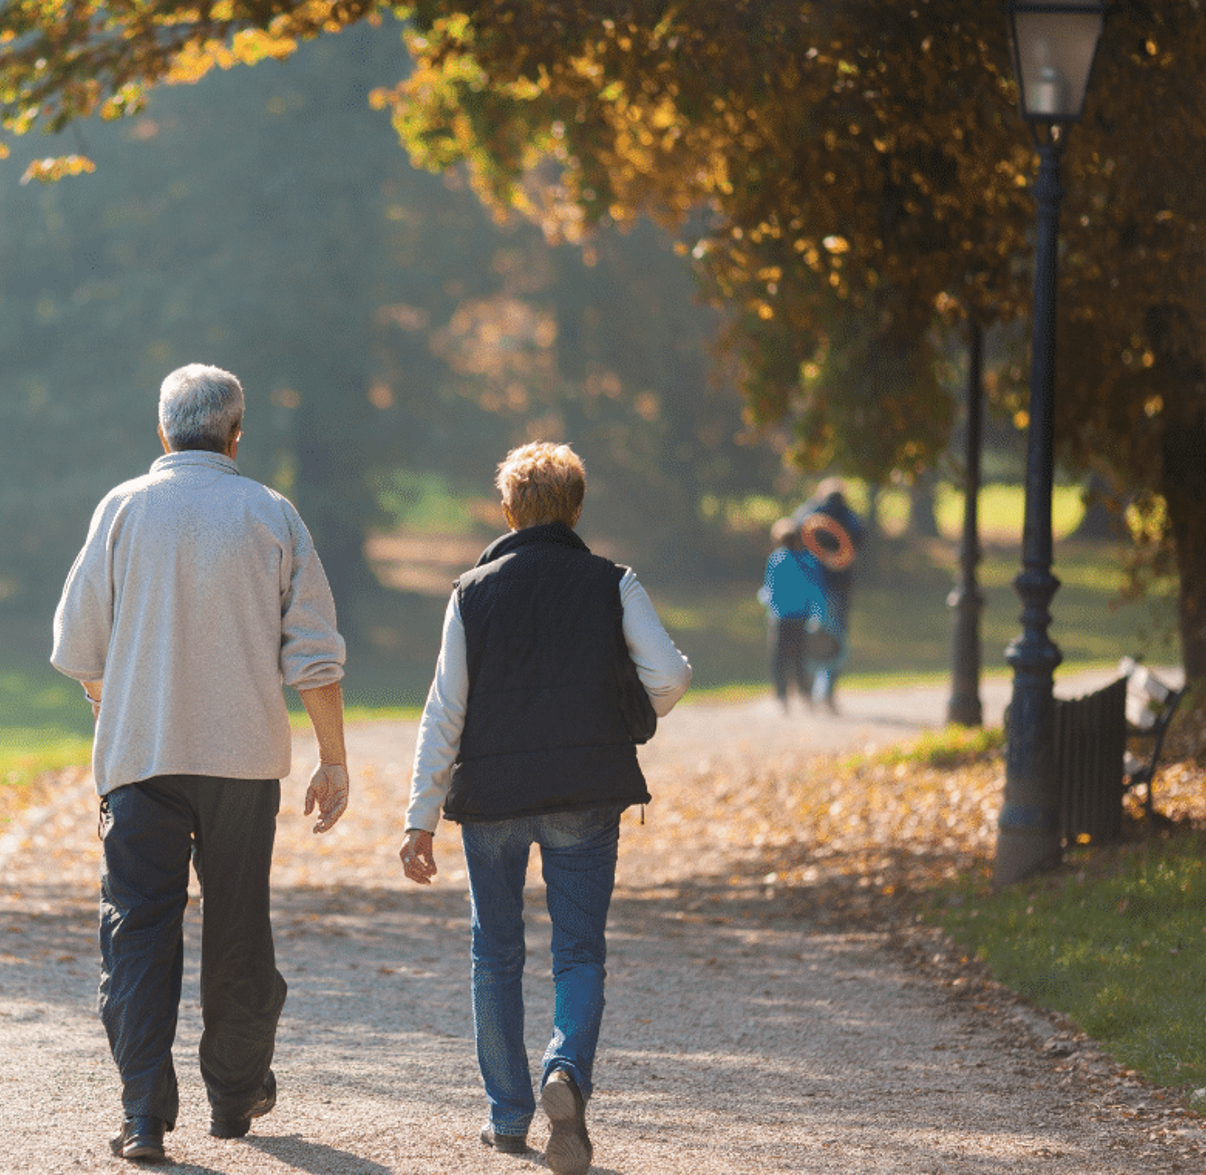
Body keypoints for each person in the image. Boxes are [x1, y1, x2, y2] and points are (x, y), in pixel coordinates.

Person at [51, 363, 352, 1165]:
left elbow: (80, 647)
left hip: (140, 761)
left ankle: (144, 1113)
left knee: (140, 931)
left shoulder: (121, 509)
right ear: (235, 433)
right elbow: (315, 656)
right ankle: (235, 1093)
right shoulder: (271, 513)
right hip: (242, 762)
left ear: (163, 431)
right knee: (239, 924)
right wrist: (333, 760)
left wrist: (115, 710)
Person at [397, 442, 691, 1175]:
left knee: (494, 952)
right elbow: (671, 676)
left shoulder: (471, 591)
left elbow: (445, 712)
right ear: (577, 508)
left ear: (507, 510)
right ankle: (566, 1070)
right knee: (579, 950)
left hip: (491, 799)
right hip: (587, 791)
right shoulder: (612, 581)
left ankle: (506, 1116)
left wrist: (420, 817)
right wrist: (622, 707)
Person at [792, 477, 867, 710]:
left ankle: (806, 691)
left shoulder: (808, 512)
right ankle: (828, 692)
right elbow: (861, 537)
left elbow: (793, 531)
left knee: (808, 637)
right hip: (839, 586)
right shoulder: (849, 516)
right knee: (837, 639)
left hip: (809, 585)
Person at [759, 517, 830, 714]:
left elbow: (769, 591)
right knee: (801, 659)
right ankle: (805, 696)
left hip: (780, 618)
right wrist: (819, 617)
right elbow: (817, 591)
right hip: (802, 618)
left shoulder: (776, 559)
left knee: (779, 660)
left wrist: (764, 600)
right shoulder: (809, 560)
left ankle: (782, 699)